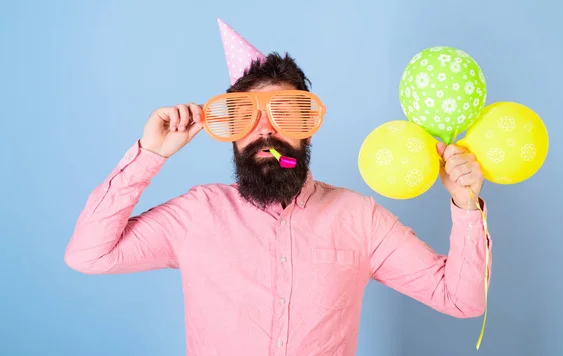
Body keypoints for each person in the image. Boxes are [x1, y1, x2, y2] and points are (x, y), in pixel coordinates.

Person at [64, 19, 492, 356]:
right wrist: (150, 154)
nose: (265, 132)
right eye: (246, 118)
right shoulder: (197, 215)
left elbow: (461, 300)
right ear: (232, 135)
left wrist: (465, 202)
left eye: (286, 115)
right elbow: (89, 254)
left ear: (308, 131)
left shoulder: (359, 217)